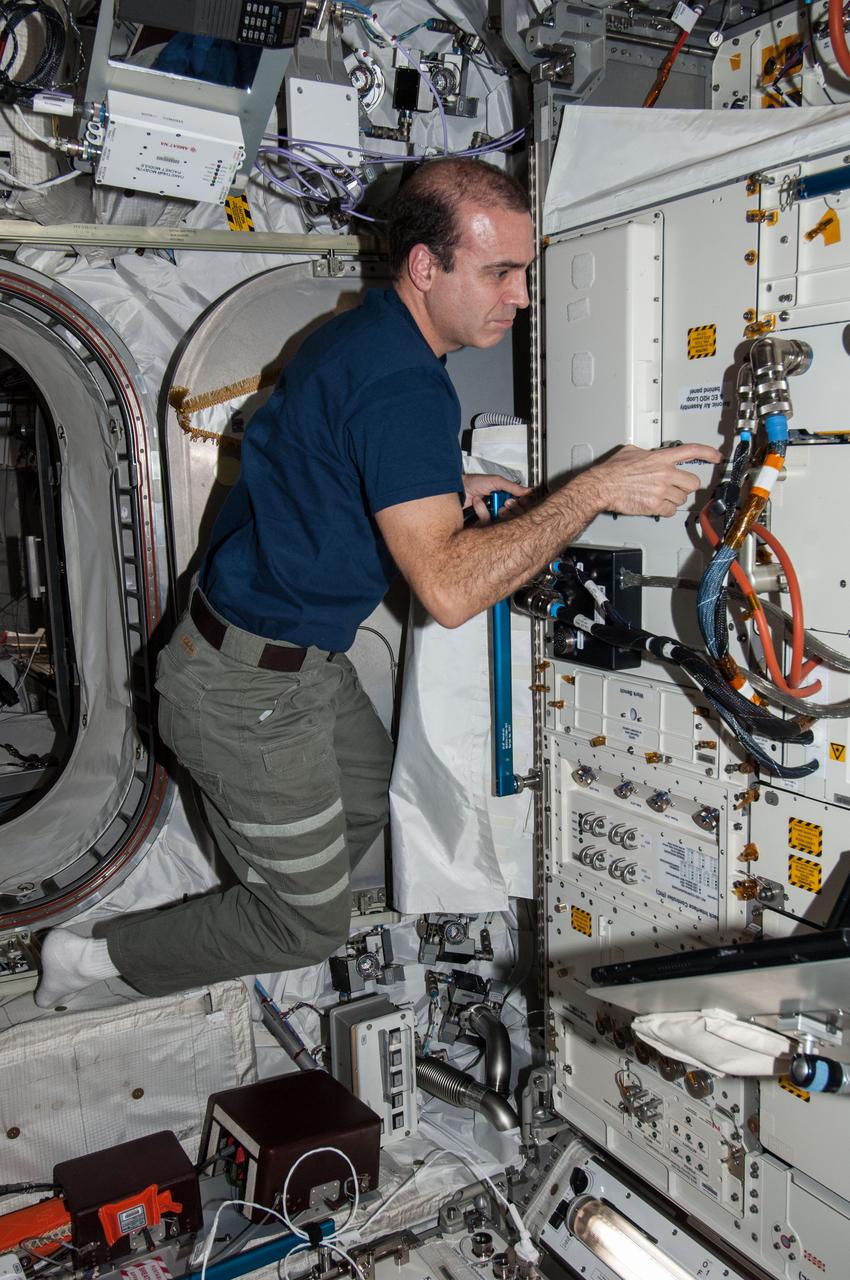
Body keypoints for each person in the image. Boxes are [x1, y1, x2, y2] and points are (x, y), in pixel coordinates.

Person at [35, 157, 720, 1007]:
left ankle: (265, 857)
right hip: (243, 686)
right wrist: (596, 488)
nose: (521, 298)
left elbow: (323, 454)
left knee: (365, 806)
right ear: (426, 267)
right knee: (304, 926)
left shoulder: (367, 335)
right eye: (499, 273)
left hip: (293, 659)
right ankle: (93, 957)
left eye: (524, 272)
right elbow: (448, 591)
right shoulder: (402, 384)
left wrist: (444, 488)